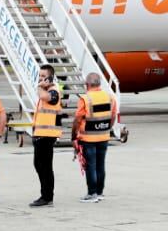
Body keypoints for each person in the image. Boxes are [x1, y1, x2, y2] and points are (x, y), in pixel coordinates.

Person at [72, 72, 117, 203]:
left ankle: (92, 193)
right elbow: (113, 116)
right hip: (104, 137)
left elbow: (77, 119)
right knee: (100, 165)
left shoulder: (85, 99)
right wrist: (107, 128)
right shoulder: (109, 97)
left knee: (90, 166)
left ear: (87, 84)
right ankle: (100, 192)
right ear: (99, 84)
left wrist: (74, 136)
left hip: (88, 139)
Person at [30, 84, 64, 207]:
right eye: (39, 77)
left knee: (44, 166)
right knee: (41, 165)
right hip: (42, 134)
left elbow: (46, 97)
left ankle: (47, 196)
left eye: (43, 76)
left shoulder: (53, 91)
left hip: (47, 135)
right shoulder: (46, 92)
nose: (41, 80)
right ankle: (46, 195)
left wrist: (39, 87)